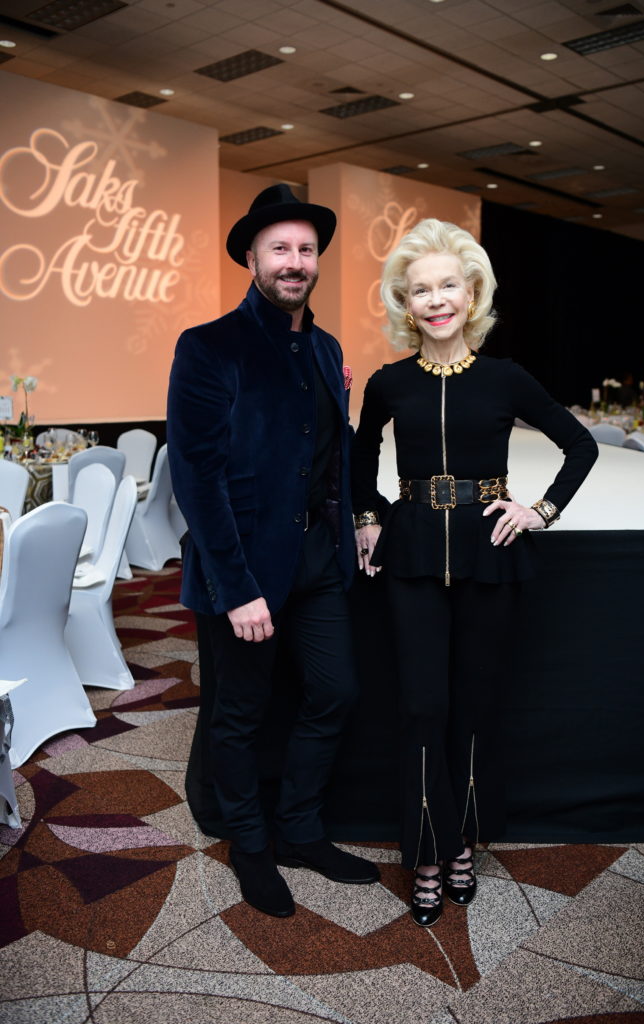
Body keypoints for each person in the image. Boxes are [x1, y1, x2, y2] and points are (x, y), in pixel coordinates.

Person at [351, 219, 598, 927]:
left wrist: (540, 510)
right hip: (412, 557)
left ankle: (462, 843)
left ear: (472, 292)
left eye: (447, 286)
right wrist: (367, 519)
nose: (435, 300)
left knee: (474, 709)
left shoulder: (505, 378)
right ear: (405, 302)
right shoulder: (389, 383)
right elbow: (357, 463)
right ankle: (425, 855)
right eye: (420, 289)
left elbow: (578, 446)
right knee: (421, 708)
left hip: (490, 560)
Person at [167, 184, 379, 919]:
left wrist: (358, 515)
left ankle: (298, 829)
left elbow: (330, 454)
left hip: (320, 561)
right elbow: (195, 477)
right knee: (239, 713)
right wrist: (236, 587)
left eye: (305, 250)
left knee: (335, 691)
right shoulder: (207, 346)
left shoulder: (324, 347)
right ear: (251, 258)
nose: (294, 262)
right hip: (245, 570)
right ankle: (249, 846)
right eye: (279, 249)